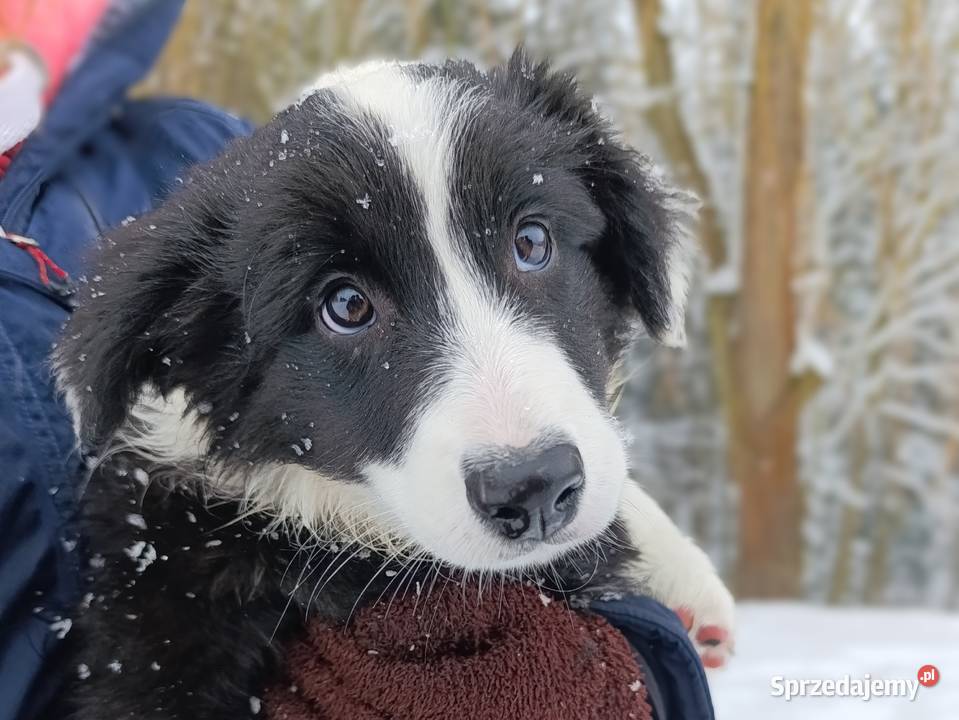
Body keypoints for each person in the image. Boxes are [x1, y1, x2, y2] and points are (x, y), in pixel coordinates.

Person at [0, 2, 715, 718]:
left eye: (531, 245)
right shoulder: (178, 500)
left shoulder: (187, 145)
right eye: (347, 305)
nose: (514, 435)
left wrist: (643, 672)